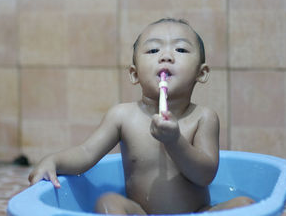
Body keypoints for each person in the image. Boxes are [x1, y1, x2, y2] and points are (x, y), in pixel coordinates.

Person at [29, 18, 254, 214]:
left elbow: (205, 175)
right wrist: (54, 160)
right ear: (134, 74)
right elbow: (86, 153)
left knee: (245, 205)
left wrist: (175, 142)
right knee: (108, 203)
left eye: (181, 50)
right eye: (153, 50)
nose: (166, 56)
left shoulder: (203, 117)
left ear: (201, 73)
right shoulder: (123, 116)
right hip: (141, 214)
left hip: (197, 213)